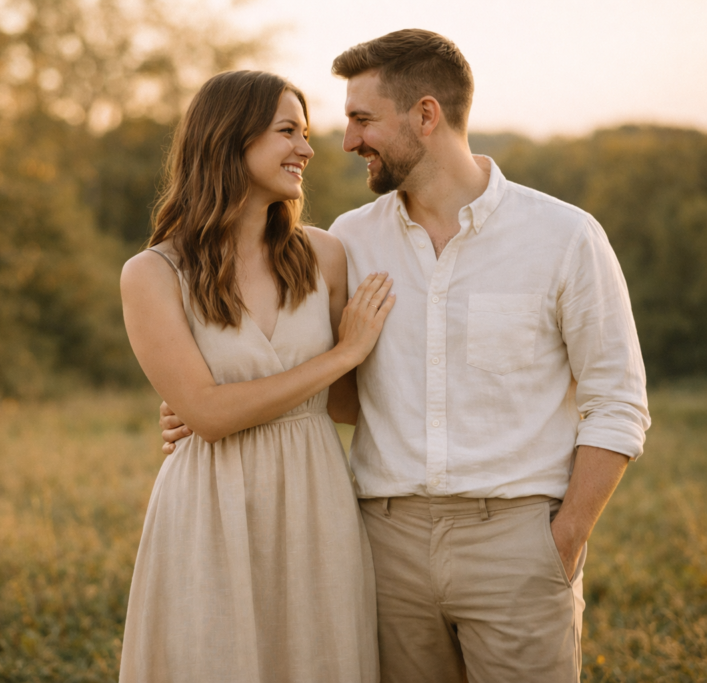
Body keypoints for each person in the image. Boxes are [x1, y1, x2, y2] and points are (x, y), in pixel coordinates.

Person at [161, 30, 651, 682]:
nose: (345, 141)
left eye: (362, 119)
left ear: (426, 115)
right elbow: (333, 387)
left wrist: (563, 540)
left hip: (515, 540)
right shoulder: (347, 243)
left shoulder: (563, 236)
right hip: (381, 543)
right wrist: (206, 402)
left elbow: (617, 401)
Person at [117, 70, 393, 683]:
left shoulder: (324, 255)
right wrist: (341, 355)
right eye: (287, 131)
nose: (307, 148)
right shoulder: (153, 274)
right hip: (211, 507)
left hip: (316, 502)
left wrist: (247, 398)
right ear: (227, 140)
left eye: (306, 132)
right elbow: (210, 416)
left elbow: (343, 406)